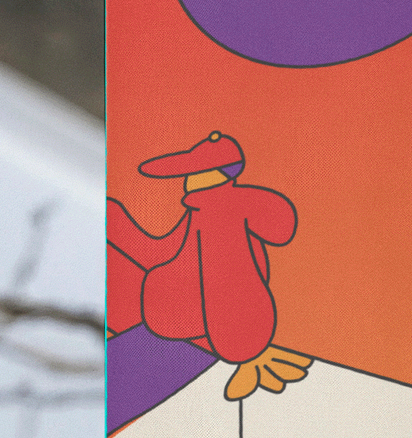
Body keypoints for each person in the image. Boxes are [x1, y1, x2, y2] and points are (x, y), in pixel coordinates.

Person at [107, 131, 311, 399]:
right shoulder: (203, 213)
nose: (186, 182)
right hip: (196, 328)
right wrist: (117, 222)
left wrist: (243, 346)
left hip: (202, 330)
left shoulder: (219, 215)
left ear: (217, 174)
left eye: (192, 173)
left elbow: (228, 280)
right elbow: (163, 253)